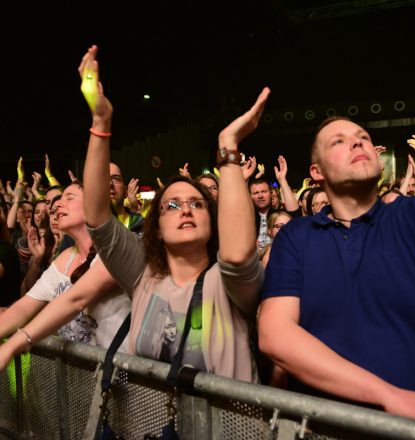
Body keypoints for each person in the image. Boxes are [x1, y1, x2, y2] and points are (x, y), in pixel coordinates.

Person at [80, 45, 265, 381]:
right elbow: (96, 218)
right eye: (172, 205)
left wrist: (228, 147)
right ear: (156, 226)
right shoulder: (143, 274)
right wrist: (101, 122)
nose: (186, 210)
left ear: (212, 219)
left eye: (197, 204)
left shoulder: (226, 282)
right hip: (156, 430)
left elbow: (238, 255)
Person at [259, 116, 415, 422]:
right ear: (317, 172)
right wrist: (385, 395)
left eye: (363, 137)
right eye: (338, 141)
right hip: (329, 428)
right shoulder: (296, 236)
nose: (357, 141)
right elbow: (275, 335)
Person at [0, 181, 131, 367]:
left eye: (69, 198)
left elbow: (74, 300)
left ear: (94, 205)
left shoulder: (116, 248)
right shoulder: (66, 258)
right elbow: (24, 308)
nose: (58, 205)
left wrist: (12, 345)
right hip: (78, 379)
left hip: (119, 376)